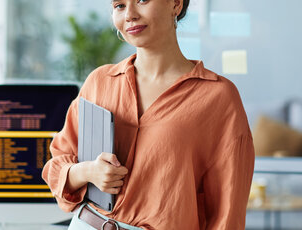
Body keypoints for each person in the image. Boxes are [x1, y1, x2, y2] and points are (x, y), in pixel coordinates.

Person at [42, 0, 255, 229]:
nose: (130, 15)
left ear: (175, 4)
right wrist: (88, 171)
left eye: (143, 0)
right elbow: (57, 165)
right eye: (119, 6)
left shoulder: (218, 97)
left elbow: (227, 212)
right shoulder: (99, 82)